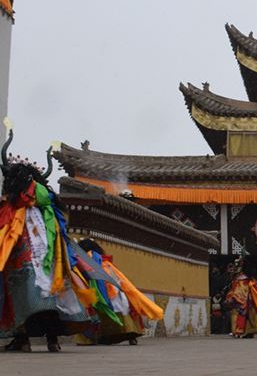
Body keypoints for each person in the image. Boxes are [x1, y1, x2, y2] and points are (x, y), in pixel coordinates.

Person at [0, 135, 91, 352]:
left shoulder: (12, 208)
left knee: (19, 299)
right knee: (51, 301)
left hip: (21, 261)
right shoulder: (47, 210)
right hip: (51, 263)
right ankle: (53, 340)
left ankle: (23, 339)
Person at [74, 239, 163, 345]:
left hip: (100, 292)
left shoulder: (86, 261)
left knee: (101, 312)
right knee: (123, 310)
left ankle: (93, 338)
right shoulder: (106, 264)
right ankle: (131, 334)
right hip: (116, 291)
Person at [224, 257, 257, 339]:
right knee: (249, 314)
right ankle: (248, 331)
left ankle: (241, 331)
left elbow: (237, 289)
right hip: (249, 299)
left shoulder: (241, 279)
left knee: (239, 314)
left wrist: (232, 296)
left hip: (243, 299)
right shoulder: (249, 279)